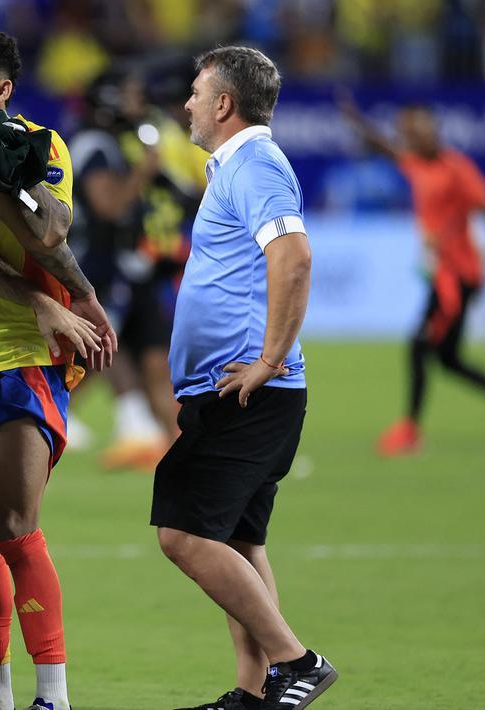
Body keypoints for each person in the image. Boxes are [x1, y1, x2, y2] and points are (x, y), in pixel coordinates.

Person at [0, 25, 116, 710]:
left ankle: (53, 697)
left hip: (20, 356)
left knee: (14, 522)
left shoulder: (40, 146)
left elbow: (48, 231)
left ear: (1, 89)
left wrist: (59, 304)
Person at [157, 47, 335, 710]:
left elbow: (292, 260)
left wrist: (266, 360)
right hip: (244, 391)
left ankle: (296, 661)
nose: (188, 106)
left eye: (196, 94)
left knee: (182, 532)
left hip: (247, 391)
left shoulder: (254, 163)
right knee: (238, 539)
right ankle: (254, 692)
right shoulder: (237, 166)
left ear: (223, 103)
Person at [337, 95, 485, 455]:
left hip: (458, 278)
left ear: (433, 129)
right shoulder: (415, 163)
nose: (412, 136)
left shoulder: (456, 169)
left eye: (417, 128)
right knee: (448, 359)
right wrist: (357, 122)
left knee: (419, 345)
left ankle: (410, 430)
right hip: (444, 276)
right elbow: (385, 148)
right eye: (407, 130)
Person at [70, 69, 207, 470]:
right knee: (101, 350)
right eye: (128, 94)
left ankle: (167, 442)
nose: (137, 102)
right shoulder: (94, 144)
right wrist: (145, 172)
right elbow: (109, 207)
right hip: (97, 269)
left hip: (126, 268)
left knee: (144, 355)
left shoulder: (109, 142)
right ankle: (59, 417)